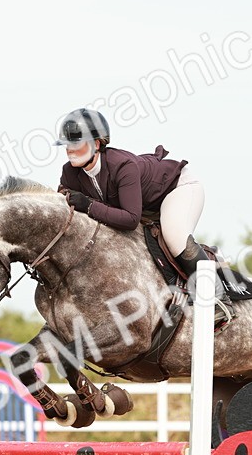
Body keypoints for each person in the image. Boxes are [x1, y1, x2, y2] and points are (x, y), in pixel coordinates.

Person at [55, 108, 229, 317]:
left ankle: (218, 296)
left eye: (76, 144)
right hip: (145, 205)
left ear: (97, 144)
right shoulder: (70, 172)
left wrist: (89, 206)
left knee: (174, 236)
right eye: (67, 145)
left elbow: (130, 219)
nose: (70, 150)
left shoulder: (122, 165)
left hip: (177, 189)